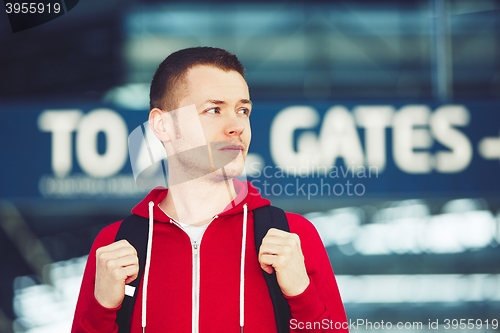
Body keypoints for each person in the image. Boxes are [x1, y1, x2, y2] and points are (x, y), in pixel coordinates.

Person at [71, 47, 348, 333]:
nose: (237, 125)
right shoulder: (117, 245)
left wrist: (302, 295)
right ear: (163, 125)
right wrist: (101, 310)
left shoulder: (292, 236)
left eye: (243, 110)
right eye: (214, 110)